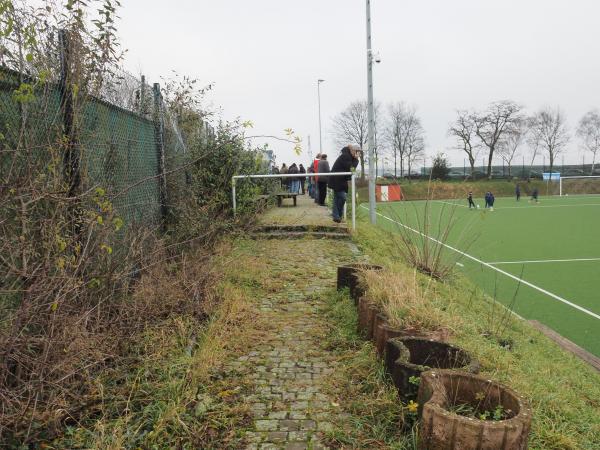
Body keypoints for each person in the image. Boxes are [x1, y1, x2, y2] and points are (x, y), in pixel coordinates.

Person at [328, 145, 360, 223]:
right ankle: (337, 215)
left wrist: (355, 159)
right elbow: (351, 168)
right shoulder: (346, 156)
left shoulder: (347, 156)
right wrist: (356, 159)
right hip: (337, 180)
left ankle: (337, 216)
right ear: (353, 151)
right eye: (358, 152)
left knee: (337, 198)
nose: (358, 154)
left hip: (339, 180)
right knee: (342, 197)